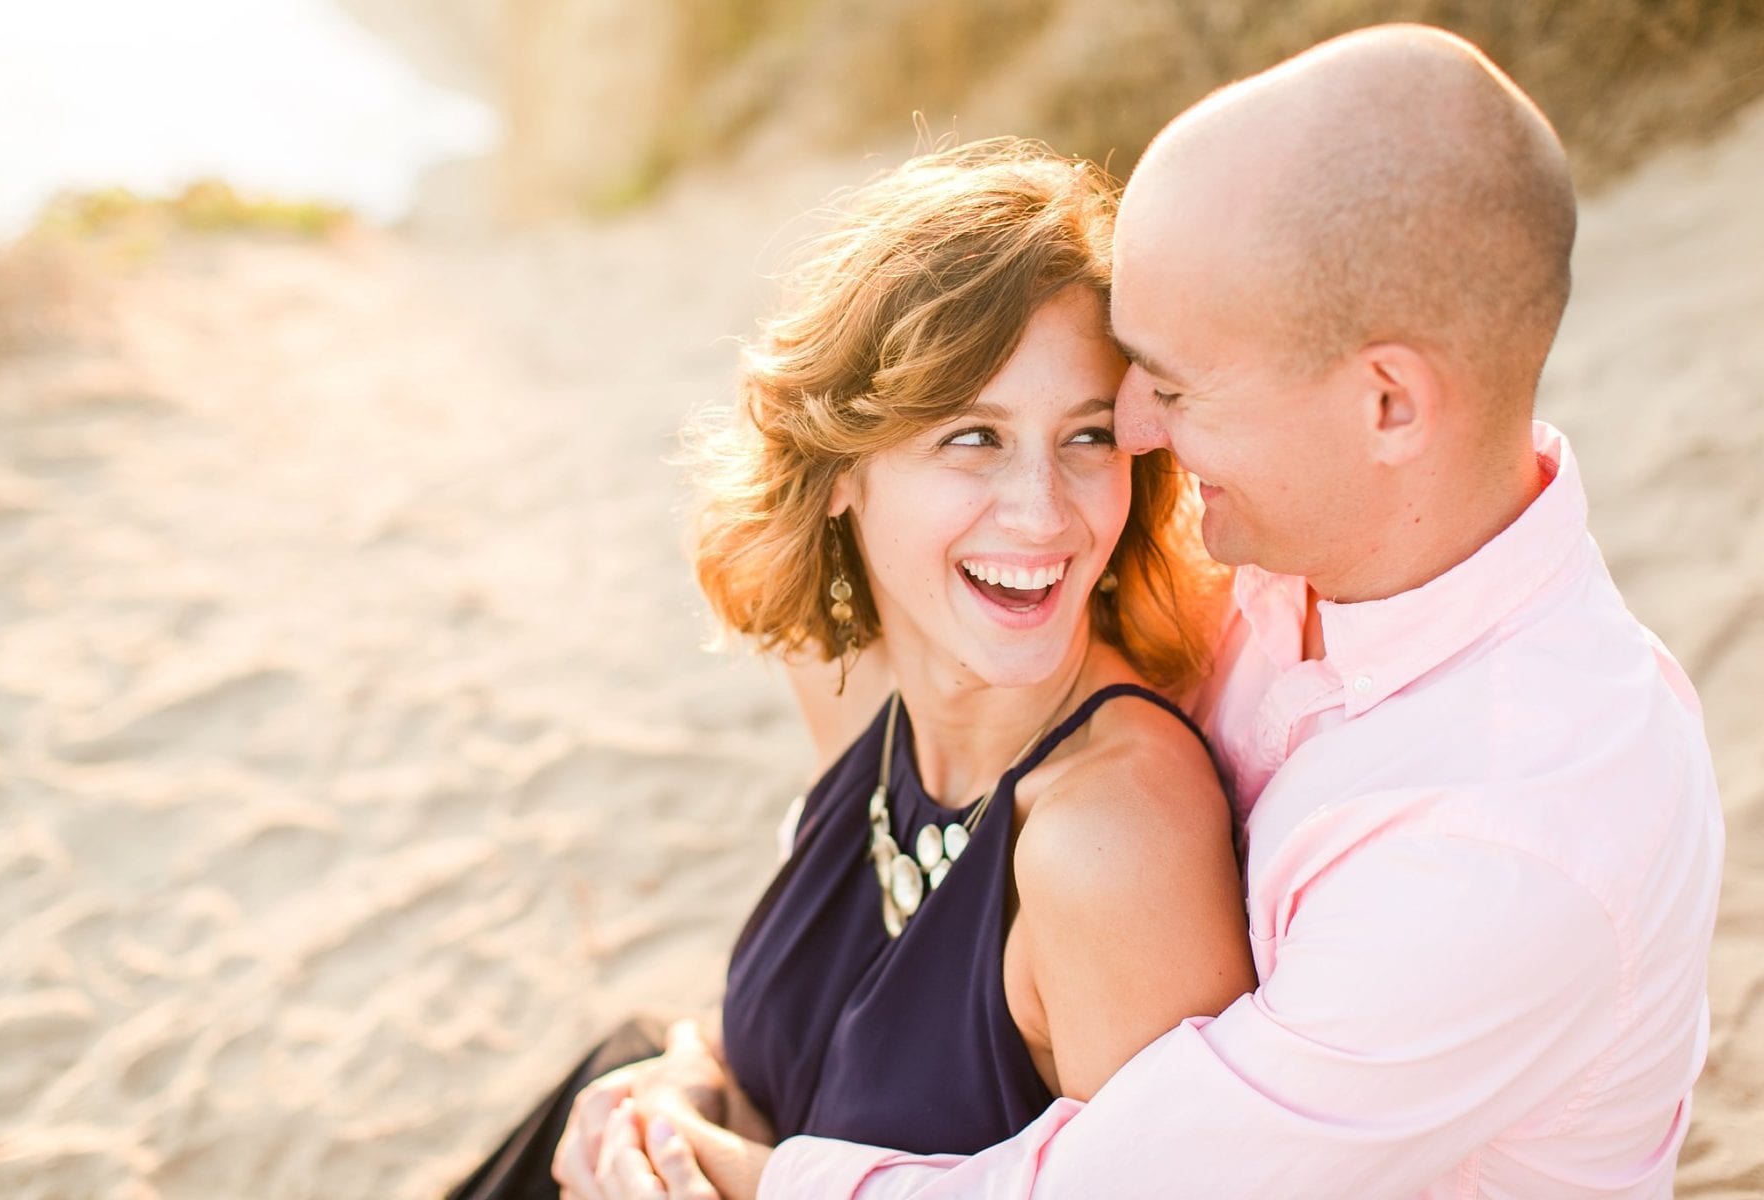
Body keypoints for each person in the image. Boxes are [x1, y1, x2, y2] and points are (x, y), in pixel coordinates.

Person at [597, 23, 1726, 1200]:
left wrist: (757, 1181)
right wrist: (679, 1090)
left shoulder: (1515, 830)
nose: (1133, 435)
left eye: (1172, 387)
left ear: (1388, 404)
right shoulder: (1277, 544)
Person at [444, 138, 1256, 1200]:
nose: (1044, 512)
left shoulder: (1108, 842)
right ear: (840, 474)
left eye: (1087, 437)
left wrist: (747, 1177)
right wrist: (686, 1085)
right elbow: (824, 1056)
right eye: (972, 437)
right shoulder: (861, 687)